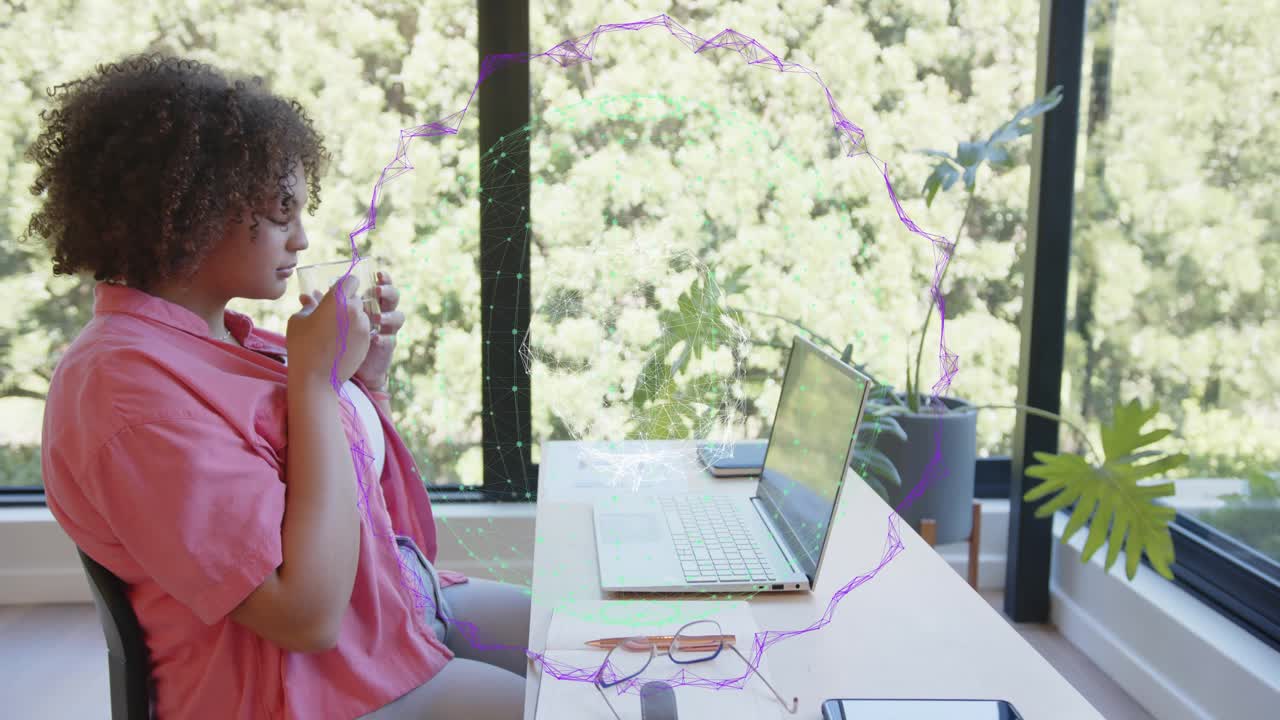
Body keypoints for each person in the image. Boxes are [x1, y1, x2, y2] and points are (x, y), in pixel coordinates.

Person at [25, 53, 529, 719]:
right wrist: (319, 384)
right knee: (566, 700)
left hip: (382, 613)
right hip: (296, 688)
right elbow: (303, 616)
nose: (302, 236)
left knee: (576, 639)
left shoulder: (227, 342)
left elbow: (340, 494)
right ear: (190, 213)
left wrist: (362, 382)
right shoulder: (124, 393)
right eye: (282, 210)